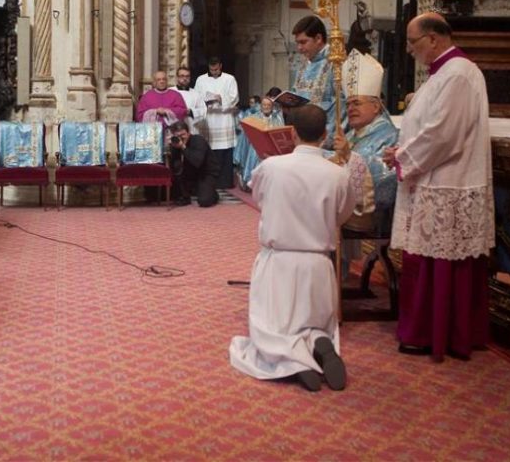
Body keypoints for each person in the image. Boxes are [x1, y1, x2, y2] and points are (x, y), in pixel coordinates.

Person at [383, 12, 494, 362]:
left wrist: (403, 156)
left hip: (447, 179)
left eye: (413, 42)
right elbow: (426, 127)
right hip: (432, 176)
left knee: (440, 263)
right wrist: (400, 151)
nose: (410, 49)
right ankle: (423, 331)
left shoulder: (459, 74)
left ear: (434, 38)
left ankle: (436, 333)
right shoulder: (442, 74)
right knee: (427, 261)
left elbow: (444, 133)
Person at [229, 104, 356, 392]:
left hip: (280, 262)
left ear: (293, 133)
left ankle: (295, 364)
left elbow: (259, 198)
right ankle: (319, 343)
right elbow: (343, 214)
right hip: (318, 264)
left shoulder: (272, 166)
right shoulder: (337, 174)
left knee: (271, 330)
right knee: (313, 322)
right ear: (324, 135)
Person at [330, 50, 399, 232]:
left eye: (357, 103)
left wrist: (347, 156)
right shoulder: (352, 135)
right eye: (348, 104)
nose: (350, 108)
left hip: (372, 219)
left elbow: (385, 183)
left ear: (376, 106)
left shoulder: (389, 136)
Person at [291, 15, 346, 144]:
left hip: (322, 142)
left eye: (303, 42)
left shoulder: (336, 62)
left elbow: (340, 107)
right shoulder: (304, 66)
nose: (299, 48)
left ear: (318, 38)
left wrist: (323, 142)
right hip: (302, 140)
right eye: (297, 43)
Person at [194, 56, 239, 189]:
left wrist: (221, 98)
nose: (214, 71)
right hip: (209, 118)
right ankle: (210, 181)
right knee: (209, 150)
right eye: (212, 69)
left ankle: (225, 182)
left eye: (216, 69)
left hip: (224, 119)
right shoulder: (201, 79)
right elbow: (196, 97)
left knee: (225, 150)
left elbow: (234, 97)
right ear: (208, 67)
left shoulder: (229, 79)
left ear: (221, 66)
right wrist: (206, 100)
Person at [167, 120, 219, 208]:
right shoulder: (175, 144)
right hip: (189, 173)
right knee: (174, 197)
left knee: (204, 201)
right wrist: (171, 147)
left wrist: (183, 147)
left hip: (205, 173)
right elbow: (174, 165)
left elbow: (197, 161)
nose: (181, 138)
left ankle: (213, 194)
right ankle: (187, 194)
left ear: (188, 133)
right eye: (177, 136)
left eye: (183, 135)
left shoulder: (198, 140)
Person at [170, 66, 207, 135]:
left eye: (187, 76)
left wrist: (191, 112)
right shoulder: (170, 91)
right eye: (182, 76)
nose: (185, 78)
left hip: (192, 130)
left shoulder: (195, 93)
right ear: (177, 77)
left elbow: (204, 110)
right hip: (174, 129)